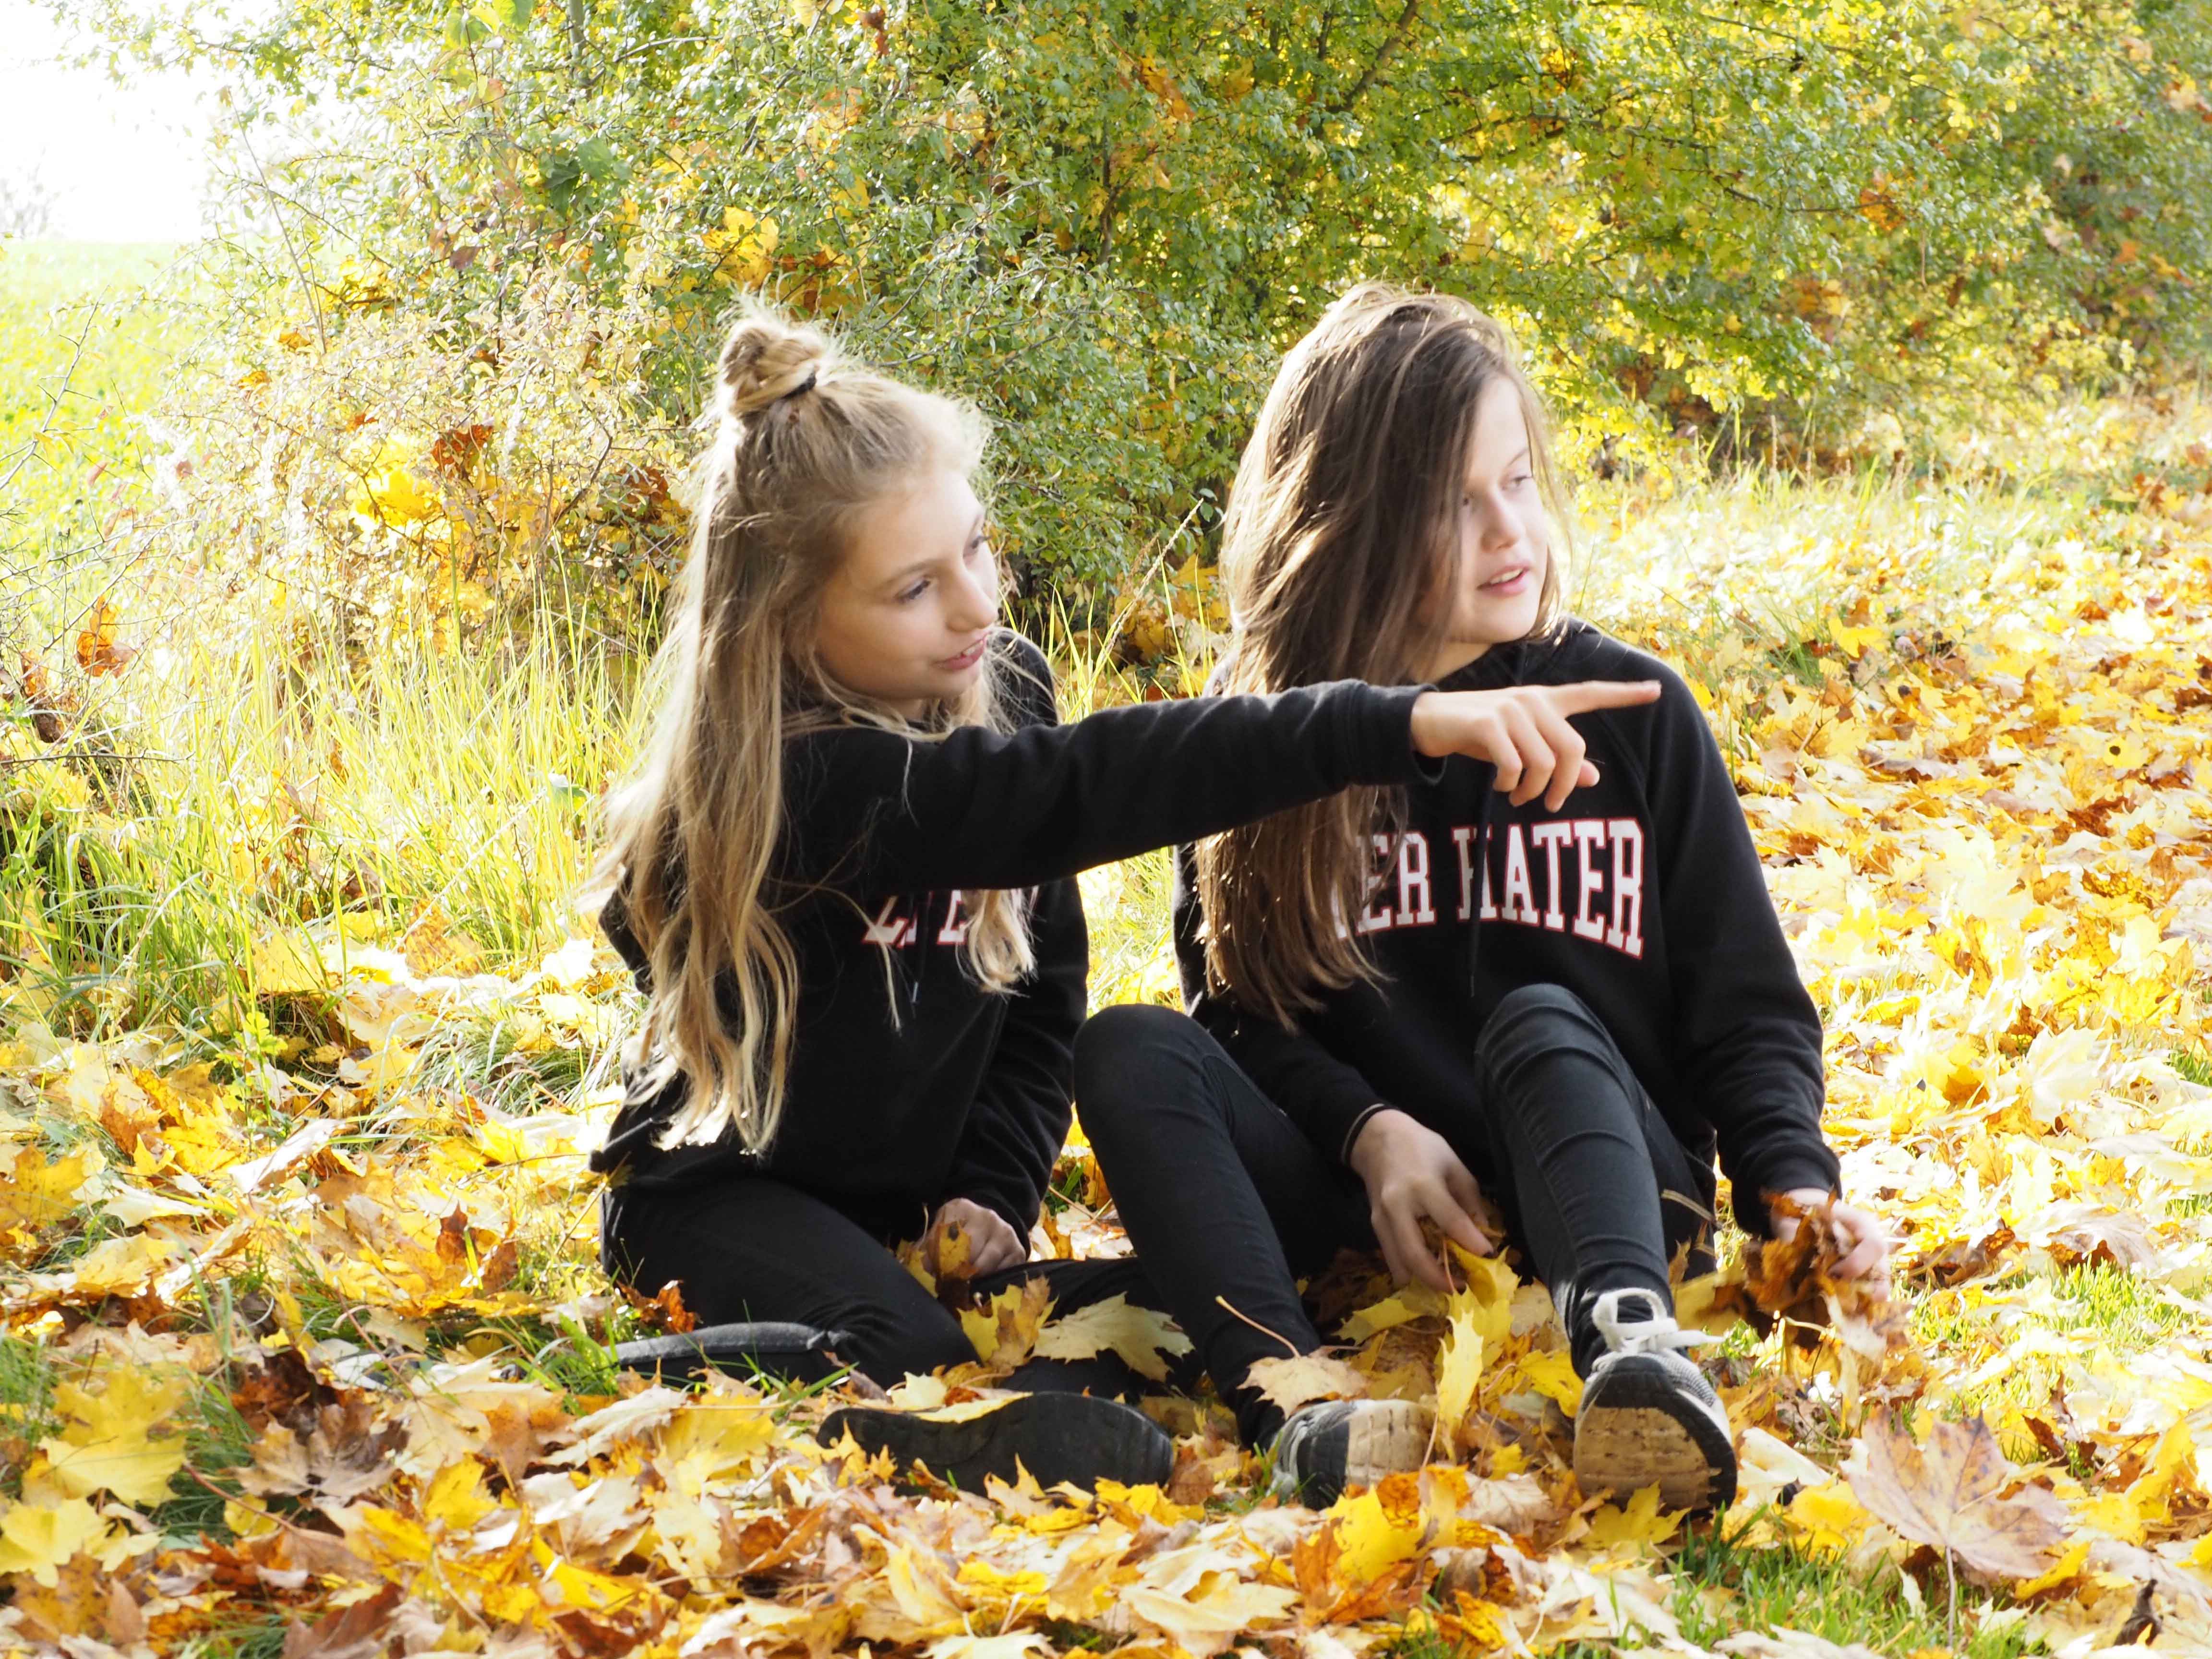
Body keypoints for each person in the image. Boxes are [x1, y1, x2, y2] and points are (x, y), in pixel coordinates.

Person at [586, 302, 1659, 1492]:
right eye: (913, 591)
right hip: (720, 1200)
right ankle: (688, 1374)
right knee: (908, 1344)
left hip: (915, 1223)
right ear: (792, 626)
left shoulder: (1003, 687)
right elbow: (1081, 789)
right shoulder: (803, 776)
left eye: (978, 550)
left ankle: (1054, 1405)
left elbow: (1045, 1000)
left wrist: (991, 1189)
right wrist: (1390, 719)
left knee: (1180, 1302)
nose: (979, 607)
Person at [1075, 284, 1888, 1511]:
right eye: (1456, 504)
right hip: (1380, 1231)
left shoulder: (1634, 715)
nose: (1510, 529)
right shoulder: (1274, 744)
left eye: (1516, 480)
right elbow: (1239, 1017)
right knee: (1134, 1046)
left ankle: (1635, 1365)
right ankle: (1295, 1404)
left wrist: (1797, 1191)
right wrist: (1366, 1129)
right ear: (1352, 526)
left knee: (1543, 1020)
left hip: (1620, 1199)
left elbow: (1750, 1011)